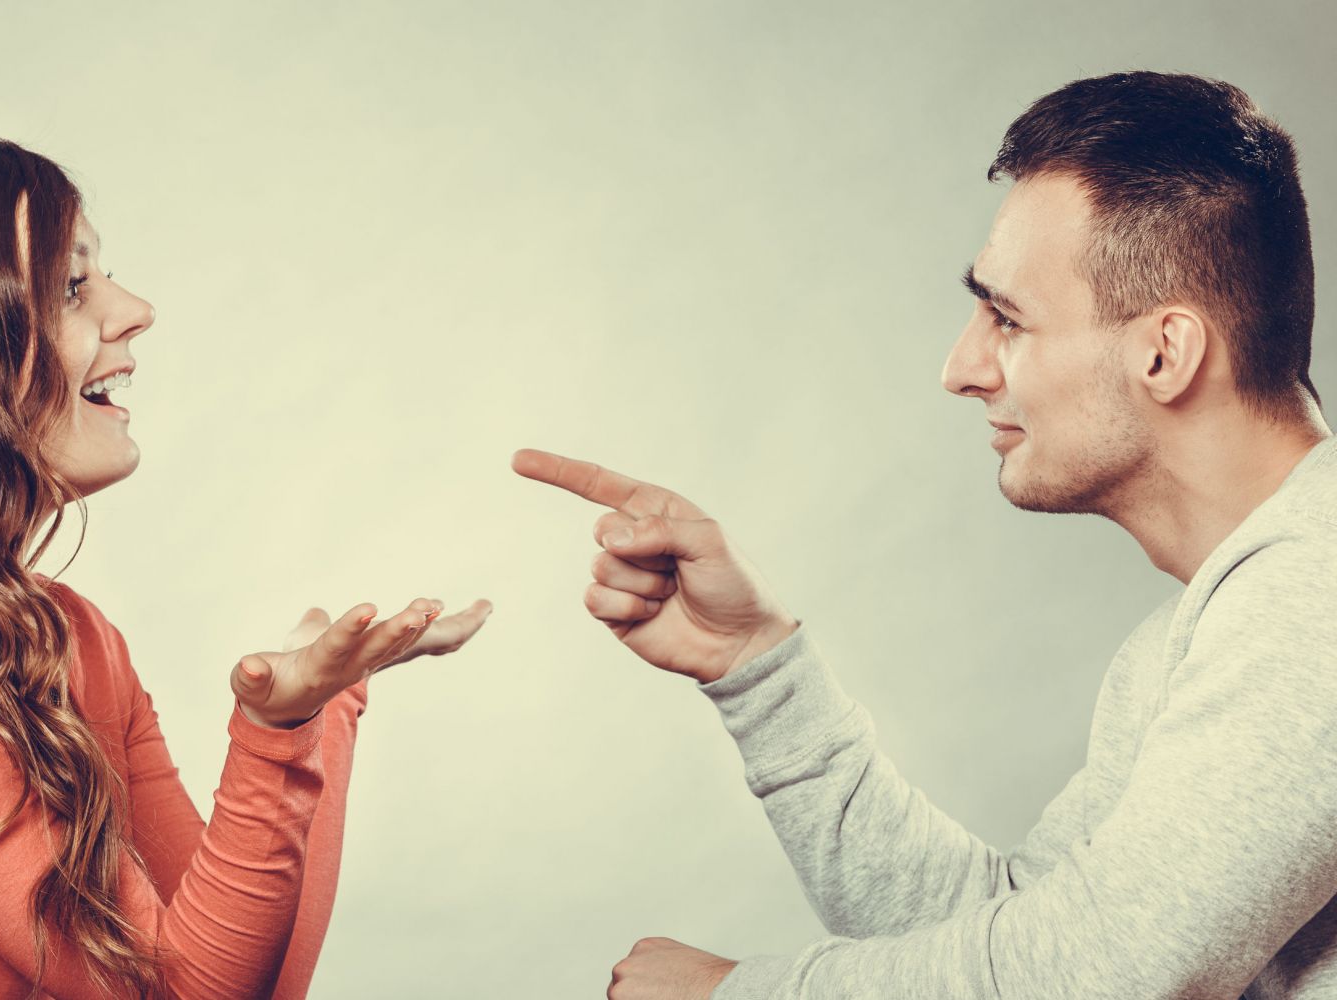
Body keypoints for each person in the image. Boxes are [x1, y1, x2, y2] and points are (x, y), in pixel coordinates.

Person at [515, 71, 1336, 999]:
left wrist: (733, 993)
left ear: (1163, 353)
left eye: (1007, 318)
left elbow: (1098, 972)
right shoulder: (1214, 626)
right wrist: (755, 667)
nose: (961, 367)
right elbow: (1014, 932)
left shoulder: (1314, 597)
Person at [0, 132, 492, 999]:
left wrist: (317, 708)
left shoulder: (73, 636)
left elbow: (249, 979)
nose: (136, 309)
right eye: (72, 286)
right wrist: (277, 732)